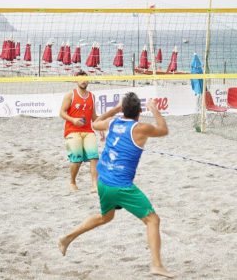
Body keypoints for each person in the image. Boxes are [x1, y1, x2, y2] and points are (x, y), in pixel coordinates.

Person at [58, 93, 174, 278]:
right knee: (153, 220)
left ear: (123, 109)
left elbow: (95, 124)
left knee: (106, 217)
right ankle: (157, 265)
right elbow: (163, 130)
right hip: (120, 186)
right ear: (139, 111)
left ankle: (68, 237)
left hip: (103, 181)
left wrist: (115, 109)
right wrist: (154, 108)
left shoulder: (112, 123)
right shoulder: (140, 128)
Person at [59, 70, 100, 192]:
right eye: (80, 78)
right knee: (77, 159)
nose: (83, 81)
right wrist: (73, 120)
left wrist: (103, 125)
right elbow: (61, 112)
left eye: (85, 78)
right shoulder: (70, 95)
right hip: (72, 130)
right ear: (76, 80)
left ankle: (94, 185)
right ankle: (72, 182)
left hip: (88, 130)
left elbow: (94, 117)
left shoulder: (92, 96)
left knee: (94, 157)